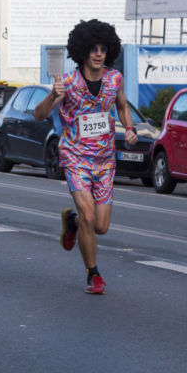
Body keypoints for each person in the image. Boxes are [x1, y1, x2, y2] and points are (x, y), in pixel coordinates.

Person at [33, 20, 138, 295]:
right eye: (93, 48)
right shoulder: (67, 83)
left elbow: (123, 106)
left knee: (100, 226)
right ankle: (93, 274)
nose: (99, 53)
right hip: (75, 156)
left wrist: (129, 128)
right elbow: (39, 115)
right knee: (89, 215)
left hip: (105, 161)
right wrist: (52, 97)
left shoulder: (115, 79)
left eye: (103, 49)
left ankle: (73, 223)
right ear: (83, 51)